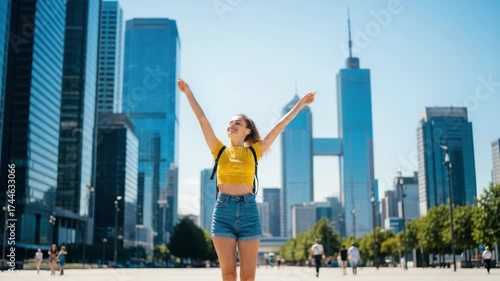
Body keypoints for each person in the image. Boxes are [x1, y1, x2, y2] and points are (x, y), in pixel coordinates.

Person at [178, 78, 316, 281]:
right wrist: (188, 92)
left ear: (247, 130)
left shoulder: (254, 151)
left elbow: (280, 125)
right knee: (228, 274)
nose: (232, 125)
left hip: (249, 212)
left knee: (248, 277)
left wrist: (301, 104)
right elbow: (202, 119)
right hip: (223, 212)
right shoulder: (219, 150)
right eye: (230, 123)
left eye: (238, 123)